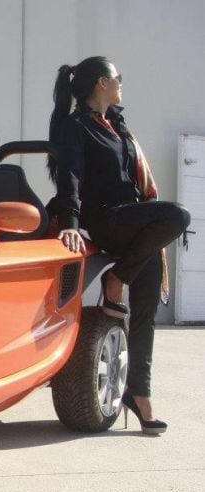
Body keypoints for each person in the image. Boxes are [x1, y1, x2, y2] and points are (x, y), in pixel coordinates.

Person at [47, 56, 190, 435]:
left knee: (143, 315)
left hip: (133, 220)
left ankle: (139, 395)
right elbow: (70, 177)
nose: (121, 83)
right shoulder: (76, 127)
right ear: (100, 84)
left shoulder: (117, 125)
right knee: (177, 217)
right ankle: (117, 280)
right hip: (107, 218)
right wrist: (72, 223)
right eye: (117, 78)